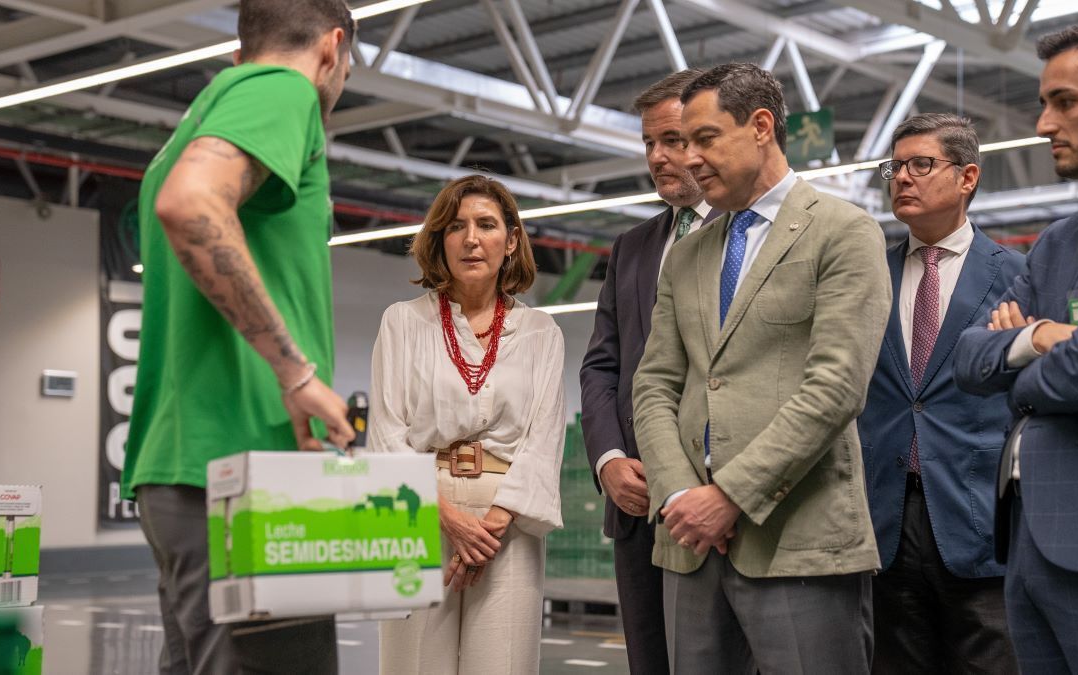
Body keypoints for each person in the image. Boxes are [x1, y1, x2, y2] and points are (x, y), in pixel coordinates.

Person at [122, 0, 358, 671]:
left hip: (178, 472)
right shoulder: (287, 90)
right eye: (345, 70)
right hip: (250, 469)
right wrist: (297, 372)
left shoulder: (201, 116)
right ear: (330, 48)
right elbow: (191, 204)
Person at [632, 62, 890, 673]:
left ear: (761, 126)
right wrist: (678, 495)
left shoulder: (843, 232)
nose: (688, 158)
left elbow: (835, 388)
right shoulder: (688, 254)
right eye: (679, 142)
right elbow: (654, 384)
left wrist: (730, 496)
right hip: (690, 544)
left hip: (798, 541)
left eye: (704, 138)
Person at [955, 20, 1078, 673]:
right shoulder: (1059, 241)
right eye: (1043, 102)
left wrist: (1016, 358)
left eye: (1065, 101)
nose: (1042, 123)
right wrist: (1038, 337)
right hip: (1029, 545)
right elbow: (967, 360)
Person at [369, 175, 565, 674]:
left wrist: (491, 527)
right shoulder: (402, 322)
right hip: (419, 511)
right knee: (412, 665)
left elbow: (544, 439)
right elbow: (387, 433)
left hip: (507, 522)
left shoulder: (542, 332)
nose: (471, 239)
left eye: (486, 225)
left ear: (512, 240)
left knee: (502, 665)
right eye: (456, 226)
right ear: (439, 240)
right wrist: (449, 519)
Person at [858, 113, 1022, 674]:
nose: (902, 178)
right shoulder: (863, 279)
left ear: (967, 177)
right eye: (895, 167)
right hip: (883, 519)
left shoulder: (1019, 278)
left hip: (978, 523)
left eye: (921, 165)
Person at [578, 68, 718, 675]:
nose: (657, 158)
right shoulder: (632, 246)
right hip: (636, 505)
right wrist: (608, 459)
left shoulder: (748, 236)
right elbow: (601, 365)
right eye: (649, 144)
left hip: (716, 503)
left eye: (674, 141)